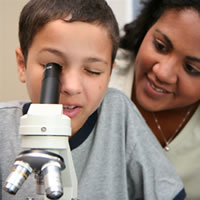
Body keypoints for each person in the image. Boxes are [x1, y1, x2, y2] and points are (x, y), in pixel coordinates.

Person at [0, 0, 187, 199]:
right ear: (22, 65)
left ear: (108, 75)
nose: (71, 86)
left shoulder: (117, 114)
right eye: (53, 66)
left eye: (92, 70)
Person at [109, 0, 200, 199]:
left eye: (191, 69)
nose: (163, 73)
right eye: (160, 46)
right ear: (147, 27)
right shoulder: (97, 76)